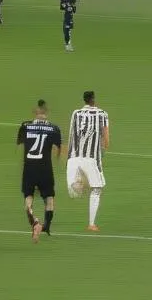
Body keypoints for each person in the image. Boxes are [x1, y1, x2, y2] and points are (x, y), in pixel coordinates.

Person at [18, 100, 62, 242]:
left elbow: (20, 146)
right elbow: (57, 151)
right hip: (45, 168)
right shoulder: (54, 128)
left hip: (29, 167)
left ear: (35, 113)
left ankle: (34, 220)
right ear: (46, 112)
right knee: (49, 198)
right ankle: (46, 226)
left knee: (28, 196)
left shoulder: (25, 126)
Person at [66, 91, 109, 230]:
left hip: (74, 156)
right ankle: (91, 224)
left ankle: (78, 183)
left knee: (78, 189)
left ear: (84, 100)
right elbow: (106, 139)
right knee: (97, 188)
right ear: (94, 99)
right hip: (92, 158)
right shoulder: (102, 114)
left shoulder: (76, 113)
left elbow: (71, 135)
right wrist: (103, 150)